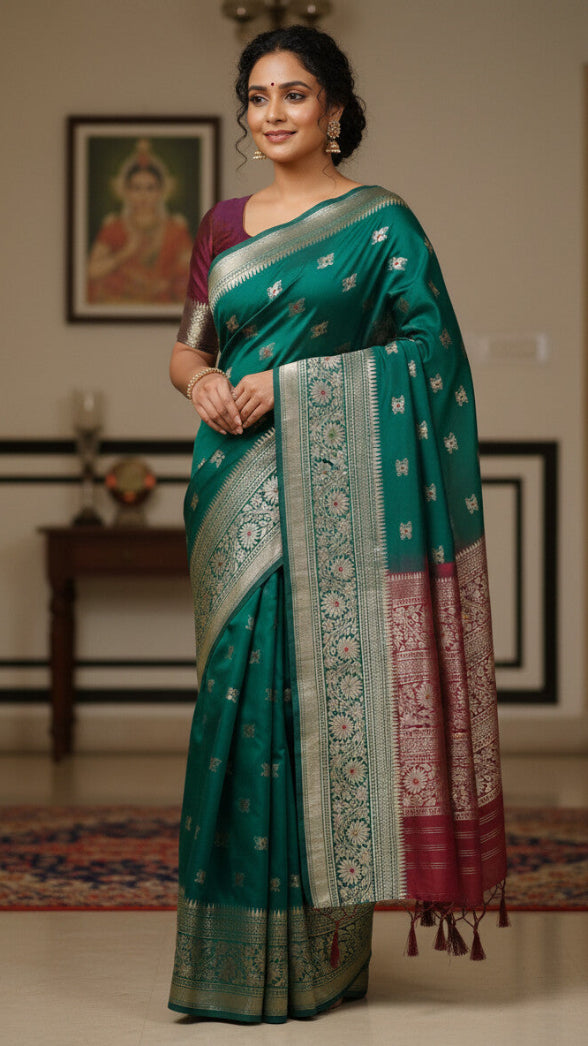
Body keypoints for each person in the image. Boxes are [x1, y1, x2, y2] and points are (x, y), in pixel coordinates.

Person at [168, 24, 508, 1025]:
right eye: (259, 96)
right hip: (230, 483)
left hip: (337, 494)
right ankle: (225, 960)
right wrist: (209, 384)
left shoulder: (381, 225)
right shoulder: (223, 226)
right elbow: (186, 348)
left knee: (321, 712)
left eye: (295, 95)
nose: (272, 114)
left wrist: (290, 385)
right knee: (235, 711)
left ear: (338, 111)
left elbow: (432, 355)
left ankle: (320, 959)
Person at [87, 139, 192, 305]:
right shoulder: (114, 228)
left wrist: (167, 281)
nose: (143, 195)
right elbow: (92, 272)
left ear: (161, 191)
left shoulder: (175, 229)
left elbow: (192, 272)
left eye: (150, 188)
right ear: (126, 191)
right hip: (120, 300)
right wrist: (125, 253)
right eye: (136, 188)